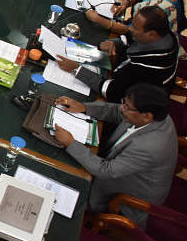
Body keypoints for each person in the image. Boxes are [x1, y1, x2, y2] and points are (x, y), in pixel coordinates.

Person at [55, 85, 177, 227]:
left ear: (147, 116)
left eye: (127, 107)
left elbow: (106, 170)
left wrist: (70, 143)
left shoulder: (150, 147)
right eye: (124, 103)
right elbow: (117, 112)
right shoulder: (153, 116)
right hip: (112, 167)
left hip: (117, 198)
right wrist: (84, 107)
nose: (122, 108)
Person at [58, 5, 176, 101]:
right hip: (121, 75)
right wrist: (114, 43)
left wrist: (76, 69)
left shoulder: (148, 67)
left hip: (131, 105)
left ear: (152, 34)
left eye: (135, 27)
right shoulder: (164, 34)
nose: (130, 29)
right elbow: (130, 37)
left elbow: (112, 92)